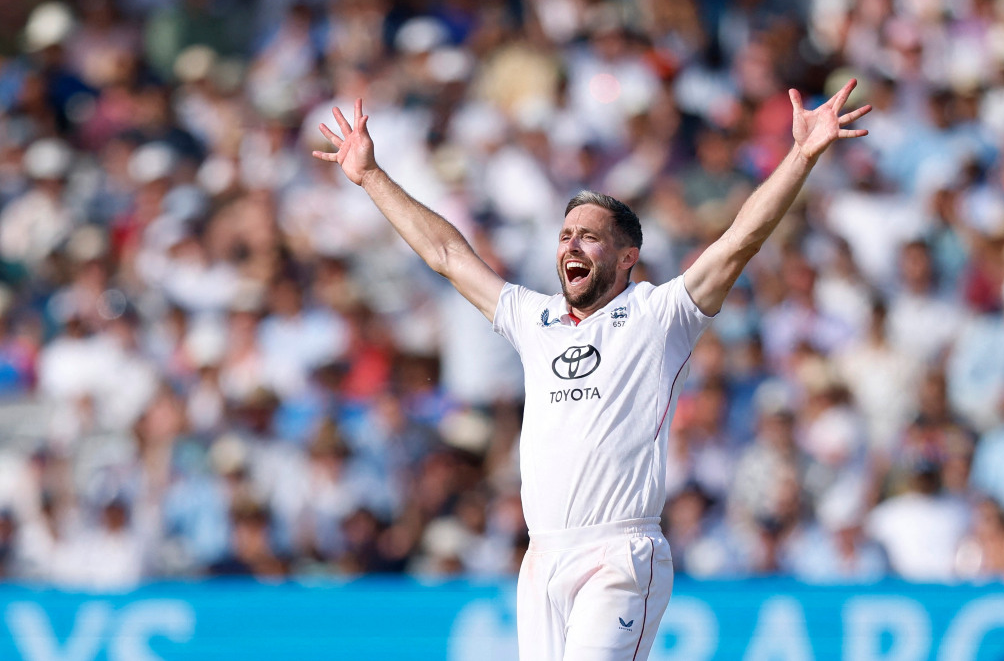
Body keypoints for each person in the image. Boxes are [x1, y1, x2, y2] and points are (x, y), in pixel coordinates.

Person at [313, 85, 869, 660]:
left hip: (620, 552)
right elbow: (448, 255)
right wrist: (371, 176)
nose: (571, 245)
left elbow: (738, 242)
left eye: (589, 236)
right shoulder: (535, 319)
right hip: (542, 558)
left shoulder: (661, 314)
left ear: (628, 257)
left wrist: (800, 156)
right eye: (564, 236)